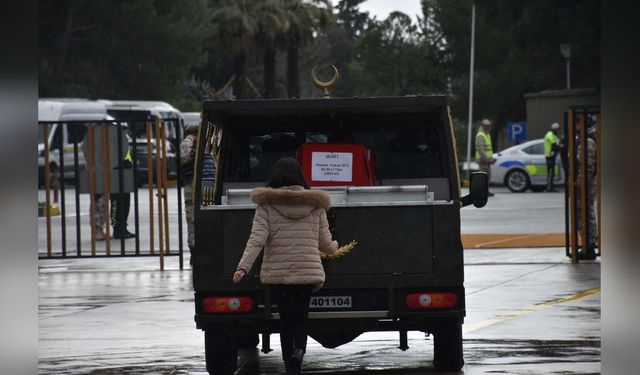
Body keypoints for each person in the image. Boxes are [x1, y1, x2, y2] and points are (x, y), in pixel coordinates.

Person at [233, 157, 338, 375]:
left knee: (286, 319)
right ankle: (298, 353)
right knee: (301, 317)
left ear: (275, 177)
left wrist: (243, 268)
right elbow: (325, 243)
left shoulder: (267, 205)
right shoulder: (316, 205)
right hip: (307, 274)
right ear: (300, 176)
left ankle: (291, 366)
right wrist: (336, 248)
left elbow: (257, 240)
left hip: (279, 275)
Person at [180, 124, 216, 258]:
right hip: (193, 187)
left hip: (208, 186)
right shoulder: (188, 146)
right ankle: (194, 251)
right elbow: (183, 157)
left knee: (208, 218)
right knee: (193, 219)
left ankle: (205, 249)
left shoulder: (205, 146)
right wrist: (189, 139)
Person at [110, 123, 135, 239]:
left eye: (126, 129)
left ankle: (123, 228)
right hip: (116, 176)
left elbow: (128, 157)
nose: (125, 131)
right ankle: (117, 229)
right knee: (116, 203)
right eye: (123, 129)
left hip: (126, 175)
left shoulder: (125, 141)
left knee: (125, 203)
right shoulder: (113, 142)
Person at [577, 124, 598, 260]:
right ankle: (586, 243)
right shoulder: (581, 140)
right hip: (582, 183)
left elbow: (588, 166)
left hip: (585, 184)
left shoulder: (587, 141)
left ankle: (589, 245)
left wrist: (581, 181)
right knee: (581, 212)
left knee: (586, 212)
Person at [475, 119, 496, 196]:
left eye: (489, 126)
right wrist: (487, 159)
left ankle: (485, 191)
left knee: (486, 176)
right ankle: (483, 192)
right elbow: (481, 149)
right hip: (483, 160)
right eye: (486, 126)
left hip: (486, 160)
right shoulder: (481, 135)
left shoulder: (486, 134)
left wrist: (490, 159)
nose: (488, 127)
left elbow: (488, 149)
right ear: (482, 126)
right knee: (483, 177)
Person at [544, 122, 562, 192]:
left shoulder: (553, 135)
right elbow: (554, 145)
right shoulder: (550, 135)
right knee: (551, 172)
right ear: (554, 129)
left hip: (552, 155)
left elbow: (556, 143)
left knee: (552, 172)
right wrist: (560, 147)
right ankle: (549, 187)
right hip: (549, 156)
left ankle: (551, 187)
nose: (558, 131)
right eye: (557, 129)